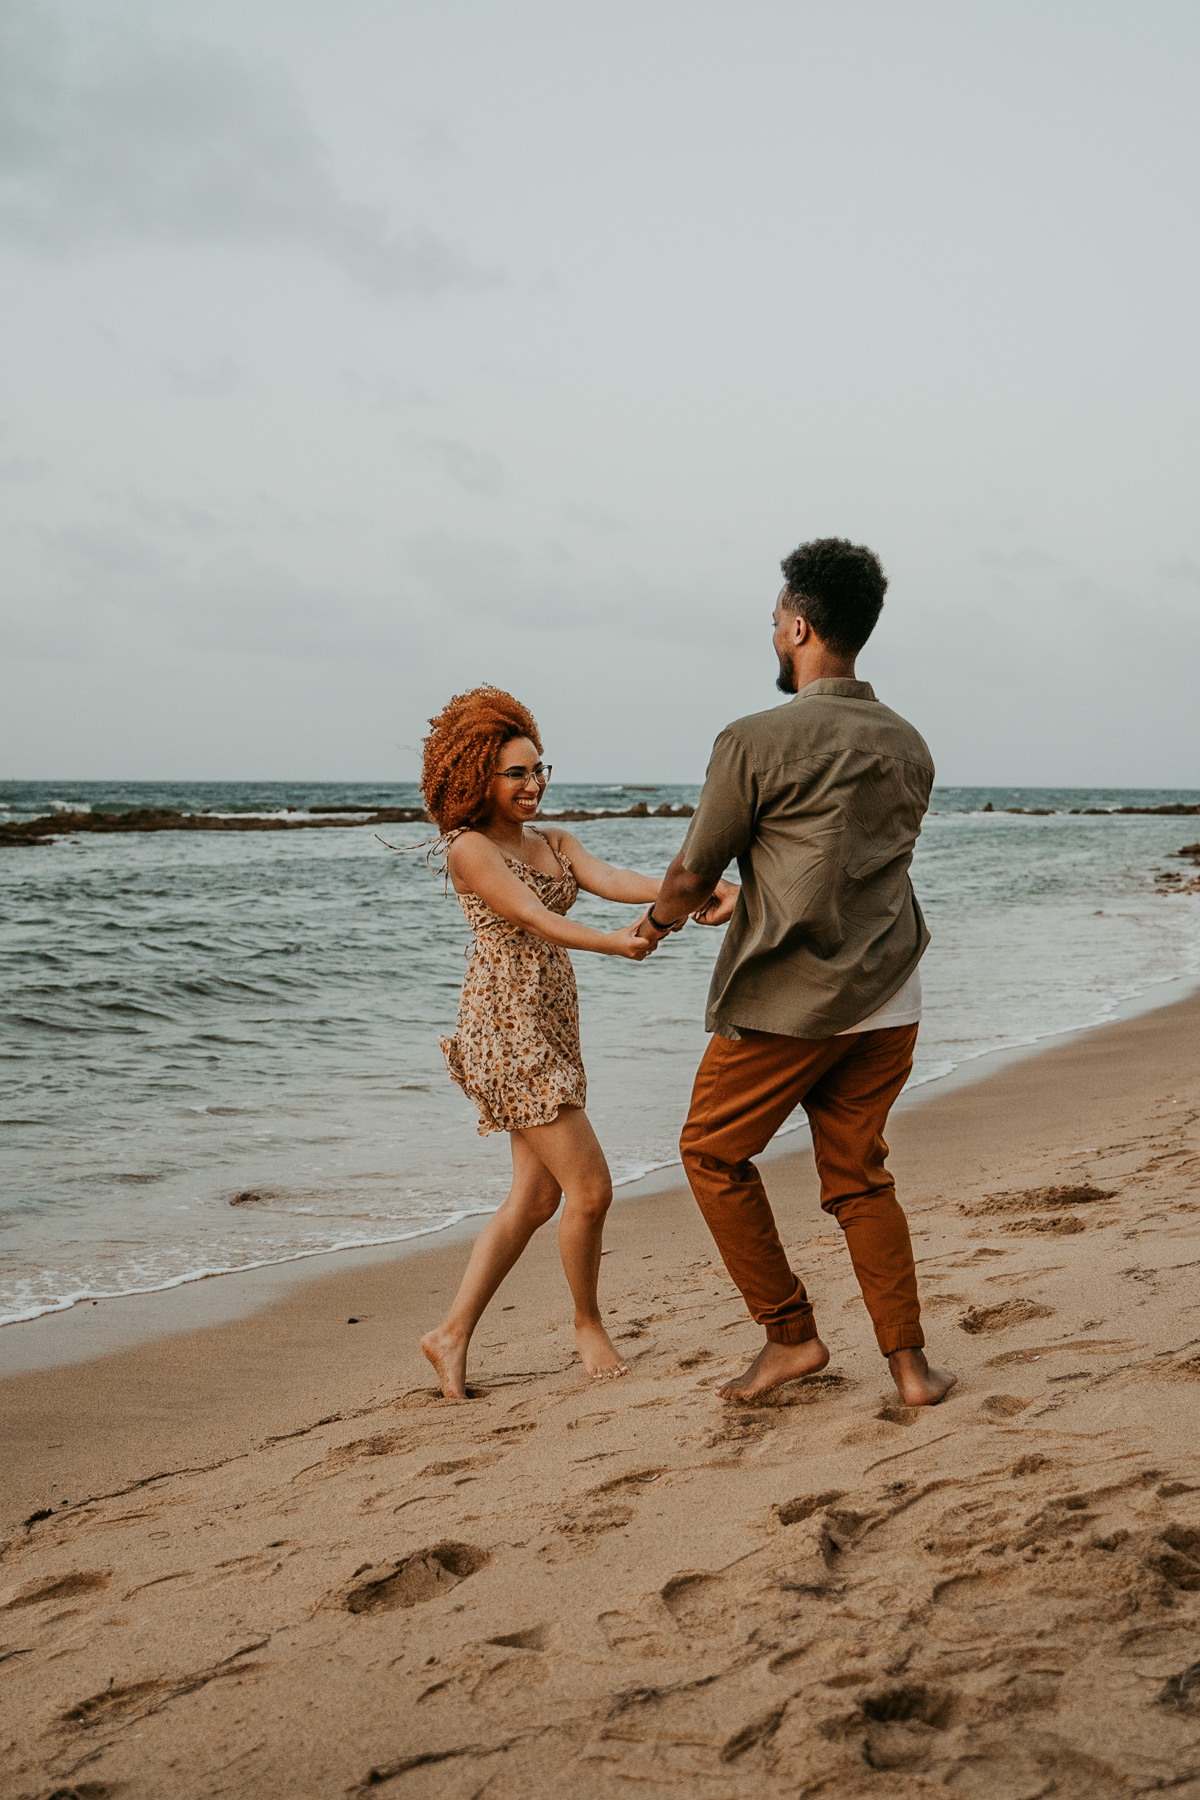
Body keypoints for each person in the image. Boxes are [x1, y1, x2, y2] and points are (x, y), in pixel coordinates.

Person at [635, 538, 955, 1408]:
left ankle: (790, 1337)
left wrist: (658, 924)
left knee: (710, 1151)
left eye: (776, 618)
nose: (774, 630)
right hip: (891, 997)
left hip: (795, 1005)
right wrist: (757, 897)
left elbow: (692, 874)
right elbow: (839, 863)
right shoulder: (910, 743)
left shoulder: (751, 739)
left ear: (800, 626)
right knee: (859, 1178)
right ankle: (910, 1368)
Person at [415, 686, 730, 1400]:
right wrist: (616, 946)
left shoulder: (554, 843)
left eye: (539, 771)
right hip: (508, 1027)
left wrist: (697, 892)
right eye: (517, 774)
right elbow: (532, 916)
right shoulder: (470, 849)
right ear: (478, 780)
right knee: (589, 1190)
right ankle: (587, 1324)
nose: (534, 786)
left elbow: (612, 879)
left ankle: (450, 1335)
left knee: (532, 1200)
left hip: (551, 1020)